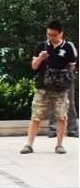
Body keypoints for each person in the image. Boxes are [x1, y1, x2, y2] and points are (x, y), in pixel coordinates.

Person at [22, 20, 77, 155]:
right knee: (36, 116)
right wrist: (40, 58)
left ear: (61, 34)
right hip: (42, 87)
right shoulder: (41, 46)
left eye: (54, 35)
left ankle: (59, 145)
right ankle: (28, 144)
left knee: (61, 116)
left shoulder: (68, 47)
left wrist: (64, 76)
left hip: (60, 89)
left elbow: (72, 67)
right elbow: (34, 66)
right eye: (48, 34)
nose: (51, 37)